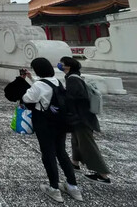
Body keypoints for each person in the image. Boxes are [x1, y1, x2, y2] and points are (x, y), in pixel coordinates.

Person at [22, 57, 83, 203]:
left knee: (48, 154)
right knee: (61, 153)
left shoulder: (38, 86)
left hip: (44, 122)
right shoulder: (57, 81)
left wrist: (26, 84)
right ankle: (73, 186)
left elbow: (27, 98)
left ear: (38, 70)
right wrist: (32, 79)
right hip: (60, 121)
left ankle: (54, 188)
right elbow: (44, 87)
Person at [59, 56, 111, 184]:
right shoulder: (74, 77)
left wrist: (63, 98)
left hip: (81, 118)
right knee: (76, 140)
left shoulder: (72, 79)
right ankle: (75, 163)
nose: (60, 65)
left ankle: (103, 175)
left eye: (62, 63)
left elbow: (75, 97)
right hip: (80, 117)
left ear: (68, 66)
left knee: (87, 144)